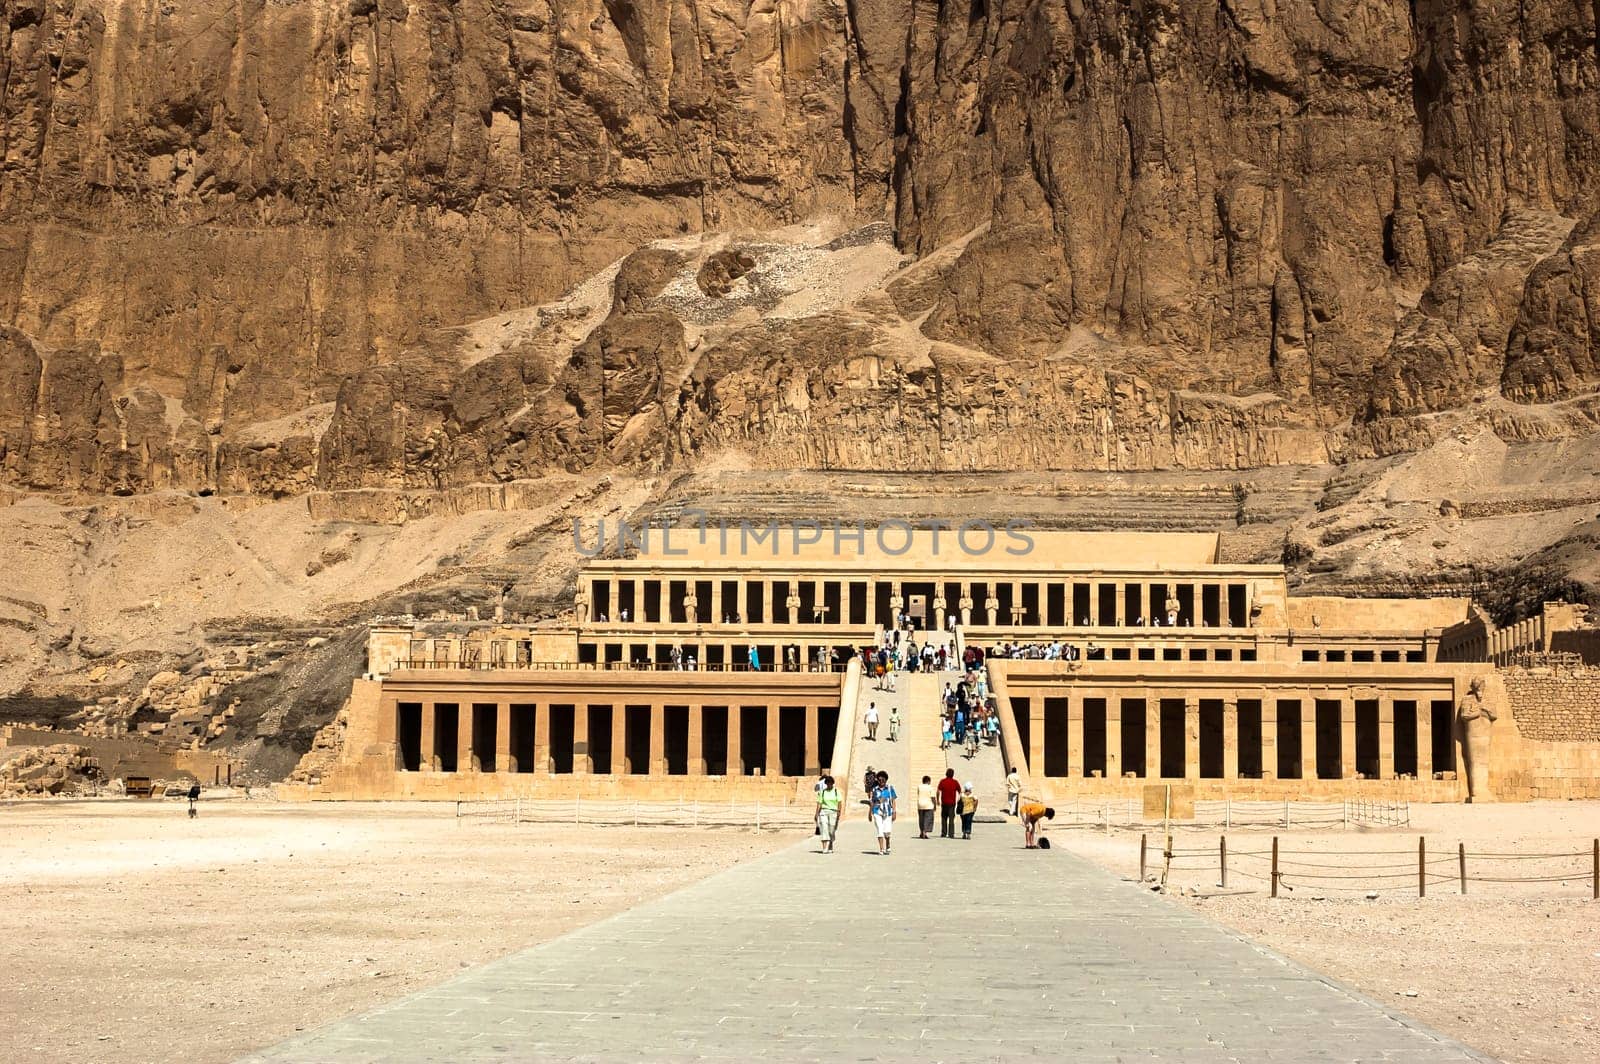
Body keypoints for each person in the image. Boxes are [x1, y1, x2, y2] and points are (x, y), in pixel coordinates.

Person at [870, 771, 897, 855]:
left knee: (887, 831)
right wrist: (870, 812)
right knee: (880, 830)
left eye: (883, 779)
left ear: (886, 780)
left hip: (888, 812)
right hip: (877, 811)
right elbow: (872, 802)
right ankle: (881, 849)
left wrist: (894, 812)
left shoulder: (890, 788)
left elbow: (893, 800)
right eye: (879, 779)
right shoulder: (874, 789)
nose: (881, 781)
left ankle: (888, 844)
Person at [816, 775, 841, 853]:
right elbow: (819, 803)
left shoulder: (836, 791)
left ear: (832, 783)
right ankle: (824, 847)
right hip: (823, 811)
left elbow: (839, 802)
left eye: (830, 783)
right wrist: (816, 813)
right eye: (827, 783)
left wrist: (839, 812)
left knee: (831, 830)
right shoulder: (823, 792)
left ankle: (830, 844)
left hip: (833, 812)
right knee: (824, 828)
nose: (829, 785)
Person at [936, 769, 961, 839]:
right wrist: (959, 799)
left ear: (946, 774)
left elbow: (938, 791)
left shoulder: (942, 781)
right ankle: (951, 834)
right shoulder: (955, 782)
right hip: (952, 803)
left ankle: (944, 833)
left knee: (944, 818)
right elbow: (960, 791)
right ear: (953, 774)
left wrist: (937, 800)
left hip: (944, 803)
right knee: (951, 819)